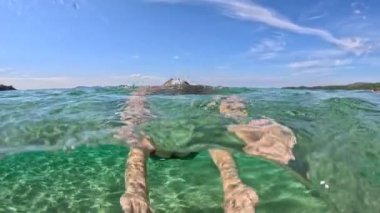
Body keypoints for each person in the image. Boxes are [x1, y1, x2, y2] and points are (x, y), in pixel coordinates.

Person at [116, 79, 296, 213]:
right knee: (136, 111)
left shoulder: (200, 132)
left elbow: (219, 150)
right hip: (165, 133)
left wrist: (233, 185)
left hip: (192, 138)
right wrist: (136, 193)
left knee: (230, 123)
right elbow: (136, 158)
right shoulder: (147, 134)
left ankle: (227, 101)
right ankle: (140, 95)